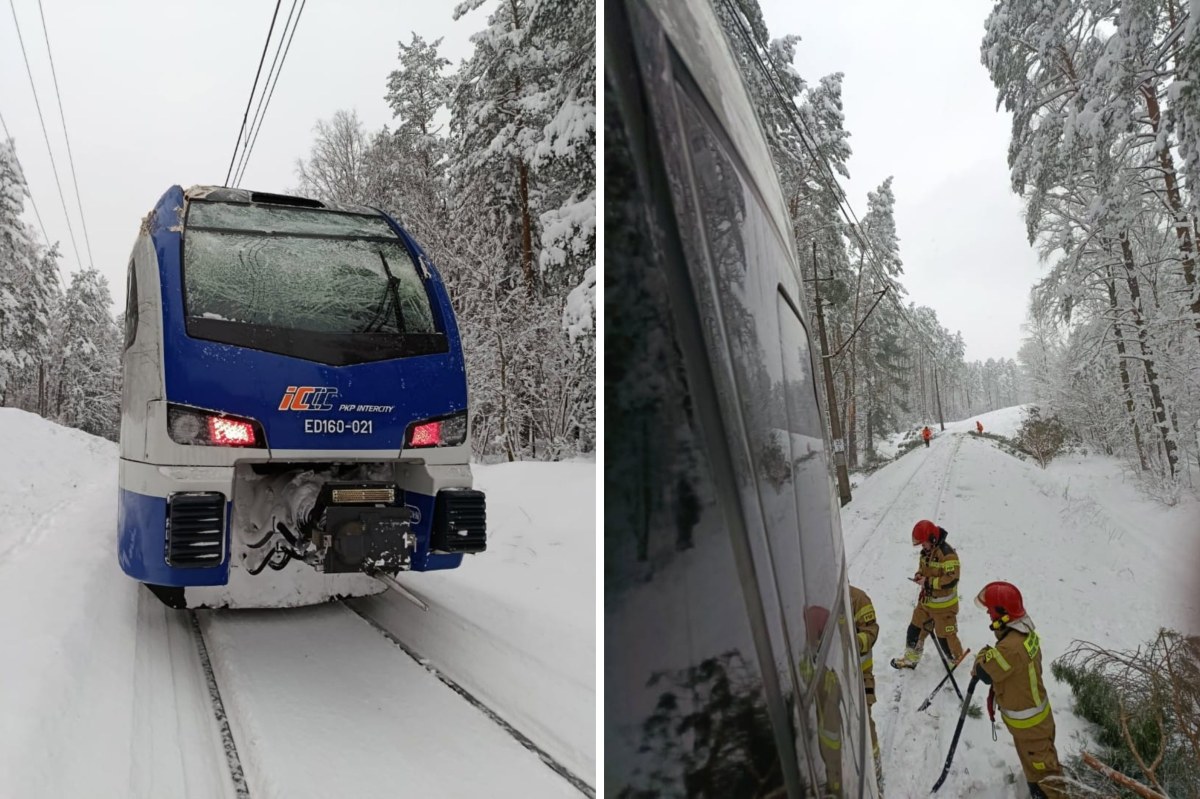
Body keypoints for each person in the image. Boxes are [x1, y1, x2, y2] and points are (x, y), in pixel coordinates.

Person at [971, 582, 1064, 799]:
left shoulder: (1009, 649)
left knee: (1050, 785)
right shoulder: (1024, 631)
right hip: (1034, 724)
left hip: (1031, 729)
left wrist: (983, 654)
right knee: (1036, 773)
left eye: (991, 609)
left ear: (1004, 613)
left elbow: (983, 671)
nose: (987, 612)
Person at [892, 520, 963, 669]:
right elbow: (923, 568)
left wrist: (929, 582)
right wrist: (919, 574)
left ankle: (956, 659)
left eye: (923, 544)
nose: (922, 547)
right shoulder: (926, 552)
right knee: (914, 629)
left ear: (932, 539)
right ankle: (911, 659)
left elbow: (952, 580)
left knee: (945, 636)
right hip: (926, 603)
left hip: (944, 607)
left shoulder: (948, 555)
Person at [850, 585, 883, 788]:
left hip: (860, 675)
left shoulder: (858, 599)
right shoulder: (816, 600)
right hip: (832, 676)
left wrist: (848, 641)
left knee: (864, 723)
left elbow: (871, 632)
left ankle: (875, 771)